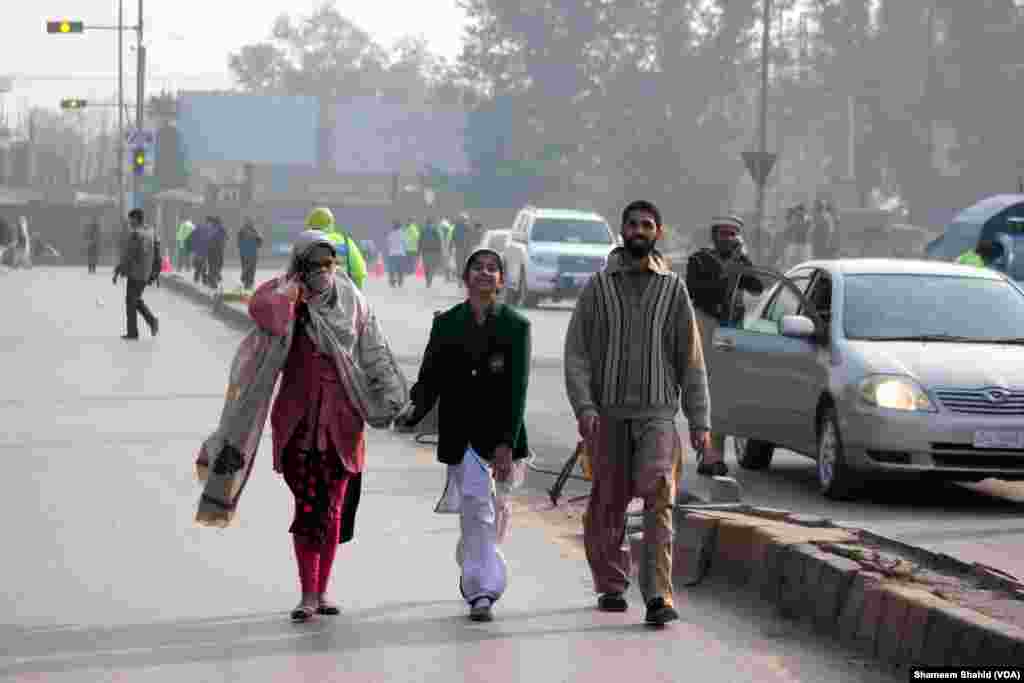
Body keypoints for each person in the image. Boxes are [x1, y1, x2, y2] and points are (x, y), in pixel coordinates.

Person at [236, 230, 408, 621]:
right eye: (313, 266)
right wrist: (289, 289)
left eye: (328, 264)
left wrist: (393, 395)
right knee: (307, 505)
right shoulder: (289, 303)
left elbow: (376, 352)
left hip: (343, 426)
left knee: (331, 509)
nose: (323, 272)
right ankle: (306, 592)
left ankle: (321, 591)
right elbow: (260, 307)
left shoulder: (355, 304)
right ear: (299, 268)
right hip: (297, 423)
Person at [565, 200, 711, 627]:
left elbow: (691, 358)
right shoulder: (598, 287)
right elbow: (577, 354)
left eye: (647, 225)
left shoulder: (673, 289)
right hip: (607, 416)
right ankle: (611, 585)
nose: (639, 230)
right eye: (632, 224)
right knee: (606, 504)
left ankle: (658, 594)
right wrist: (585, 405)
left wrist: (700, 421)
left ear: (658, 233)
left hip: (658, 416)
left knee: (659, 499)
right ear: (622, 230)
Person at [396, 248, 532, 623]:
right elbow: (430, 379)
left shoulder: (516, 326)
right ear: (466, 276)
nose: (485, 273)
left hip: (501, 435)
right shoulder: (447, 323)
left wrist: (506, 443)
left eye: (493, 268)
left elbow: (517, 390)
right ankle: (482, 591)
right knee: (477, 508)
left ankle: (474, 565)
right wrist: (412, 409)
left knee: (490, 515)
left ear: (501, 280)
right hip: (460, 435)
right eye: (478, 267)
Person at [686, 215, 763, 474]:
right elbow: (698, 292)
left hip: (731, 331)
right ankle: (706, 452)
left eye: (733, 234)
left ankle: (716, 452)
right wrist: (727, 271)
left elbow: (757, 287)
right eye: (724, 234)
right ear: (714, 236)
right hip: (708, 326)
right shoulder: (699, 260)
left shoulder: (740, 261)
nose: (728, 239)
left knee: (726, 392)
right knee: (706, 389)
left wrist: (743, 259)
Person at [113, 209, 159, 340]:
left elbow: (130, 255)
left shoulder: (136, 234)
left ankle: (134, 332)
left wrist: (119, 270)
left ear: (136, 219)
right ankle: (152, 322)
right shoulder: (151, 232)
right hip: (146, 272)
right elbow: (157, 253)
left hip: (136, 273)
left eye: (130, 220)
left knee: (130, 301)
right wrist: (155, 272)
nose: (129, 223)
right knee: (135, 300)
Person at [307, 207, 368, 290]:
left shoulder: (305, 242)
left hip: (314, 297)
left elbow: (293, 274)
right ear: (331, 223)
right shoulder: (346, 241)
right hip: (344, 295)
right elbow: (359, 272)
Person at [237, 218, 264, 290]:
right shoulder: (245, 231)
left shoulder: (253, 231)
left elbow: (260, 241)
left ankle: (248, 283)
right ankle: (246, 282)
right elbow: (260, 242)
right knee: (249, 268)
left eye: (250, 223)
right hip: (248, 253)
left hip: (250, 253)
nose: (250, 224)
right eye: (249, 222)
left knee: (250, 269)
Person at [418, 218, 445, 288]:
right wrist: (440, 250)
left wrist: (418, 251)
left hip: (425, 251)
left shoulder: (423, 230)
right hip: (434, 251)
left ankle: (427, 280)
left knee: (426, 266)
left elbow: (420, 241)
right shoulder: (435, 230)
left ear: (426, 223)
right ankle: (429, 280)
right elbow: (439, 240)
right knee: (432, 266)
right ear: (432, 223)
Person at [206, 217, 227, 289]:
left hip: (210, 250)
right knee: (218, 265)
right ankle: (214, 279)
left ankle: (212, 279)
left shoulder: (209, 229)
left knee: (212, 266)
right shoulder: (221, 228)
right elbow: (226, 237)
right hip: (218, 250)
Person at [387, 220, 406, 288]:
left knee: (392, 269)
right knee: (400, 269)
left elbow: (388, 243)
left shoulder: (391, 234)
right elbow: (405, 243)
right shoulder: (402, 233)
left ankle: (392, 282)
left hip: (392, 254)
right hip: (401, 254)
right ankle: (400, 282)